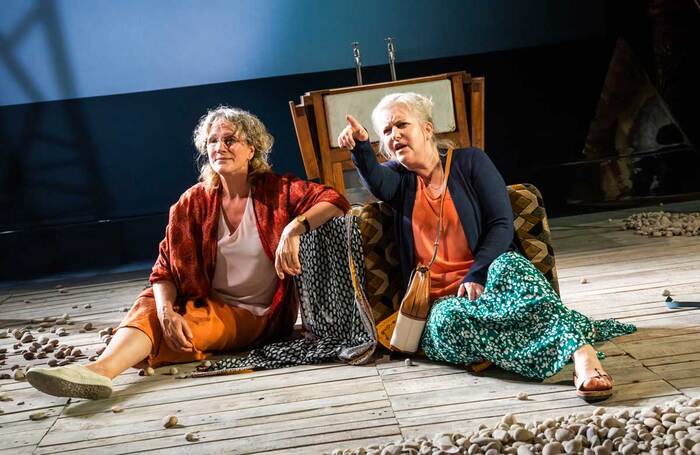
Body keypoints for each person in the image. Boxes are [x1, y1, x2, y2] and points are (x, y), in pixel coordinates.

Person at [27, 106, 349, 399]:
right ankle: (99, 371)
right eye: (212, 141)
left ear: (251, 149)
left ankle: (108, 363)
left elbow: (333, 200)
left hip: (256, 315)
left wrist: (293, 229)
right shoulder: (193, 202)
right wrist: (167, 311)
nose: (219, 147)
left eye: (230, 140)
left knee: (185, 324)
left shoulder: (278, 191)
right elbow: (164, 269)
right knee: (153, 305)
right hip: (203, 298)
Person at [337, 92, 635, 401]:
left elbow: (501, 225)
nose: (394, 134)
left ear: (427, 129)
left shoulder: (470, 161)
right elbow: (376, 181)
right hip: (444, 301)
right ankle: (566, 336)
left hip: (490, 279)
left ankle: (583, 355)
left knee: (512, 265)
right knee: (446, 325)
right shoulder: (398, 180)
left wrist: (477, 274)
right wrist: (361, 145)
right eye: (386, 131)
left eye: (401, 124)